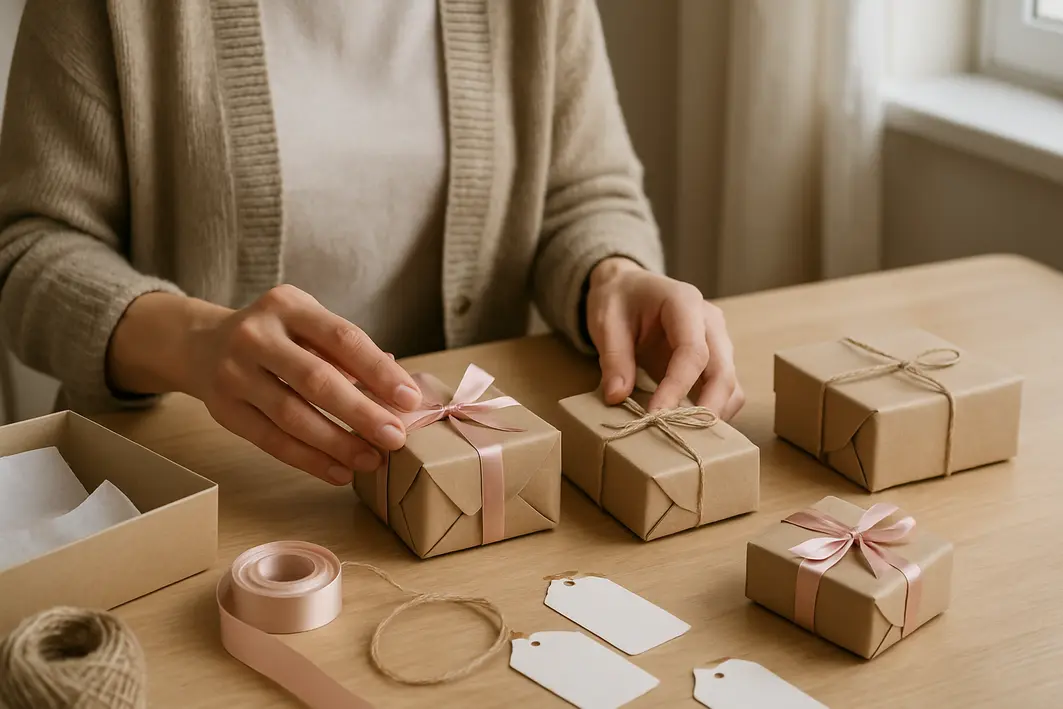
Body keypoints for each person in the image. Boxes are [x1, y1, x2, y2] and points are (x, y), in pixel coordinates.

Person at [0, 0, 743, 487]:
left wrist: (610, 275)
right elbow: (28, 245)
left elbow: (583, 191)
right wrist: (195, 341)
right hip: (187, 482)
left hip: (462, 480)